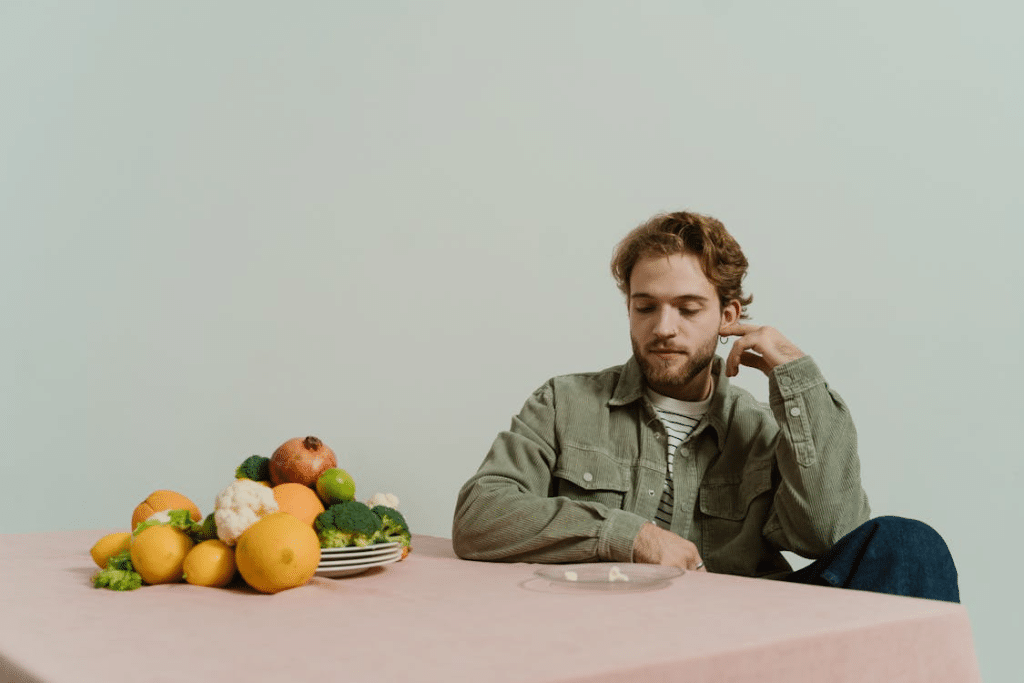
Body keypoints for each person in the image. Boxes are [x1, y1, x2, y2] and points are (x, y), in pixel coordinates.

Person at [452, 210, 959, 602]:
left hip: (745, 633)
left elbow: (830, 533)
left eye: (688, 308)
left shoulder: (761, 432)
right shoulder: (565, 403)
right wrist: (632, 537)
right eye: (645, 307)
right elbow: (480, 516)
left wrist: (796, 375)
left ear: (728, 316)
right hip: (604, 623)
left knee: (911, 544)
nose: (663, 327)